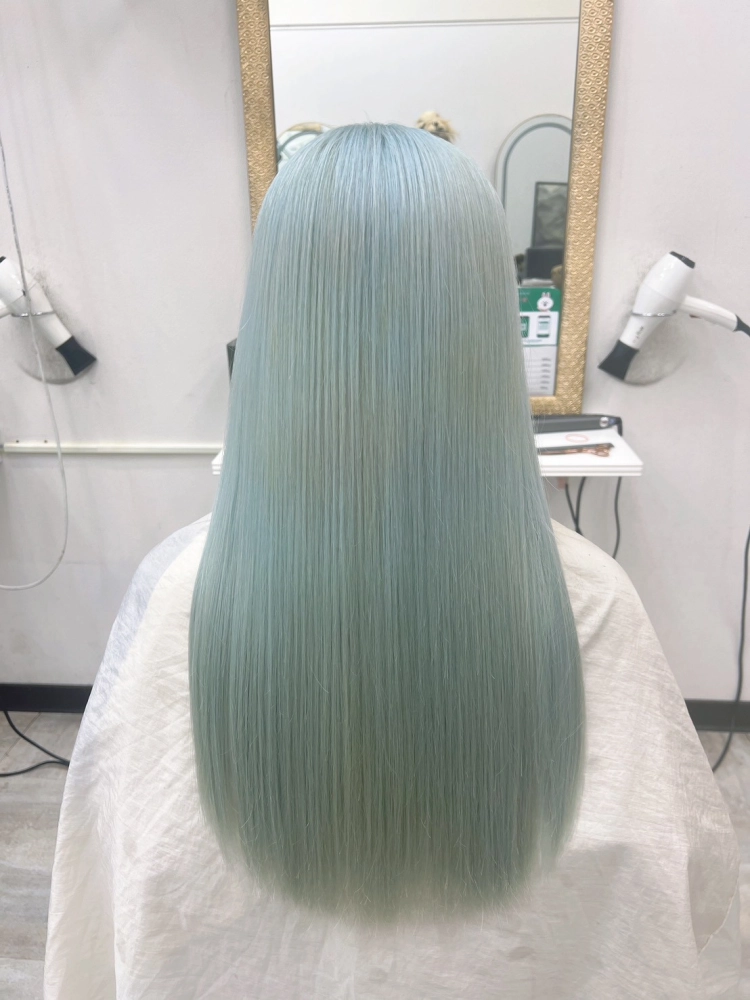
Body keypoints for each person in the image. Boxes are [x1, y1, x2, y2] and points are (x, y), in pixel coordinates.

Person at [45, 124, 738, 999]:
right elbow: (679, 885)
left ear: (277, 320)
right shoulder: (588, 596)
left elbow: (111, 882)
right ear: (484, 322)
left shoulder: (182, 590)